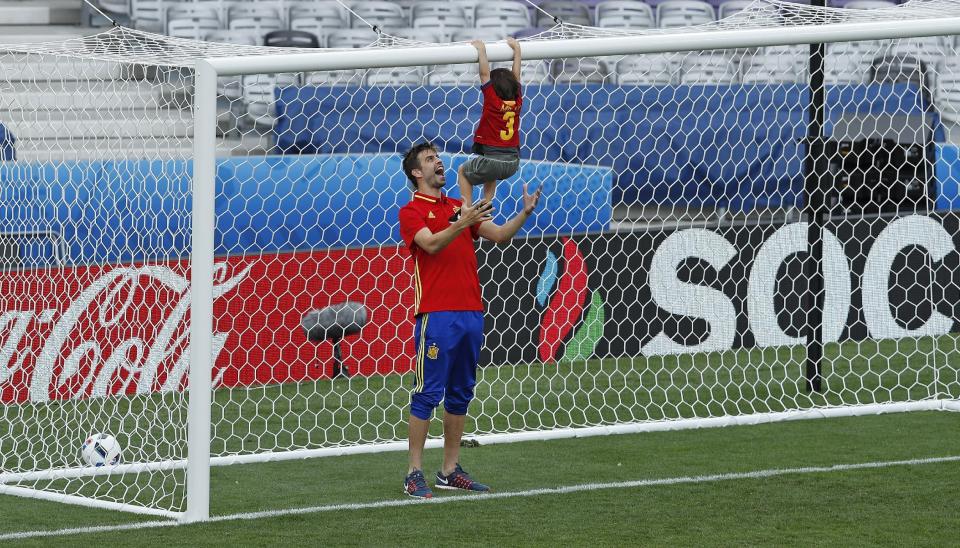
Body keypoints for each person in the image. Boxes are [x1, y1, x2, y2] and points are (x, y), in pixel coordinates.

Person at [398, 141, 541, 498]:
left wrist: (523, 214)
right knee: (427, 393)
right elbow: (429, 245)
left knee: (461, 393)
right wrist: (462, 223)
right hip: (437, 314)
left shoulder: (458, 206)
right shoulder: (412, 210)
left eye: (438, 157)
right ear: (417, 173)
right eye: (430, 159)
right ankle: (413, 473)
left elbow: (500, 237)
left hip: (471, 313)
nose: (439, 162)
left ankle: (449, 470)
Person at [457, 38, 524, 210]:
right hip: (512, 164)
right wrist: (517, 50)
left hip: (492, 161)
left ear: (493, 89)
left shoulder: (492, 100)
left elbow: (485, 74)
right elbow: (516, 78)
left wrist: (481, 51)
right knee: (490, 171)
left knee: (463, 172)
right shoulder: (518, 102)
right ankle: (487, 204)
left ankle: (466, 210)